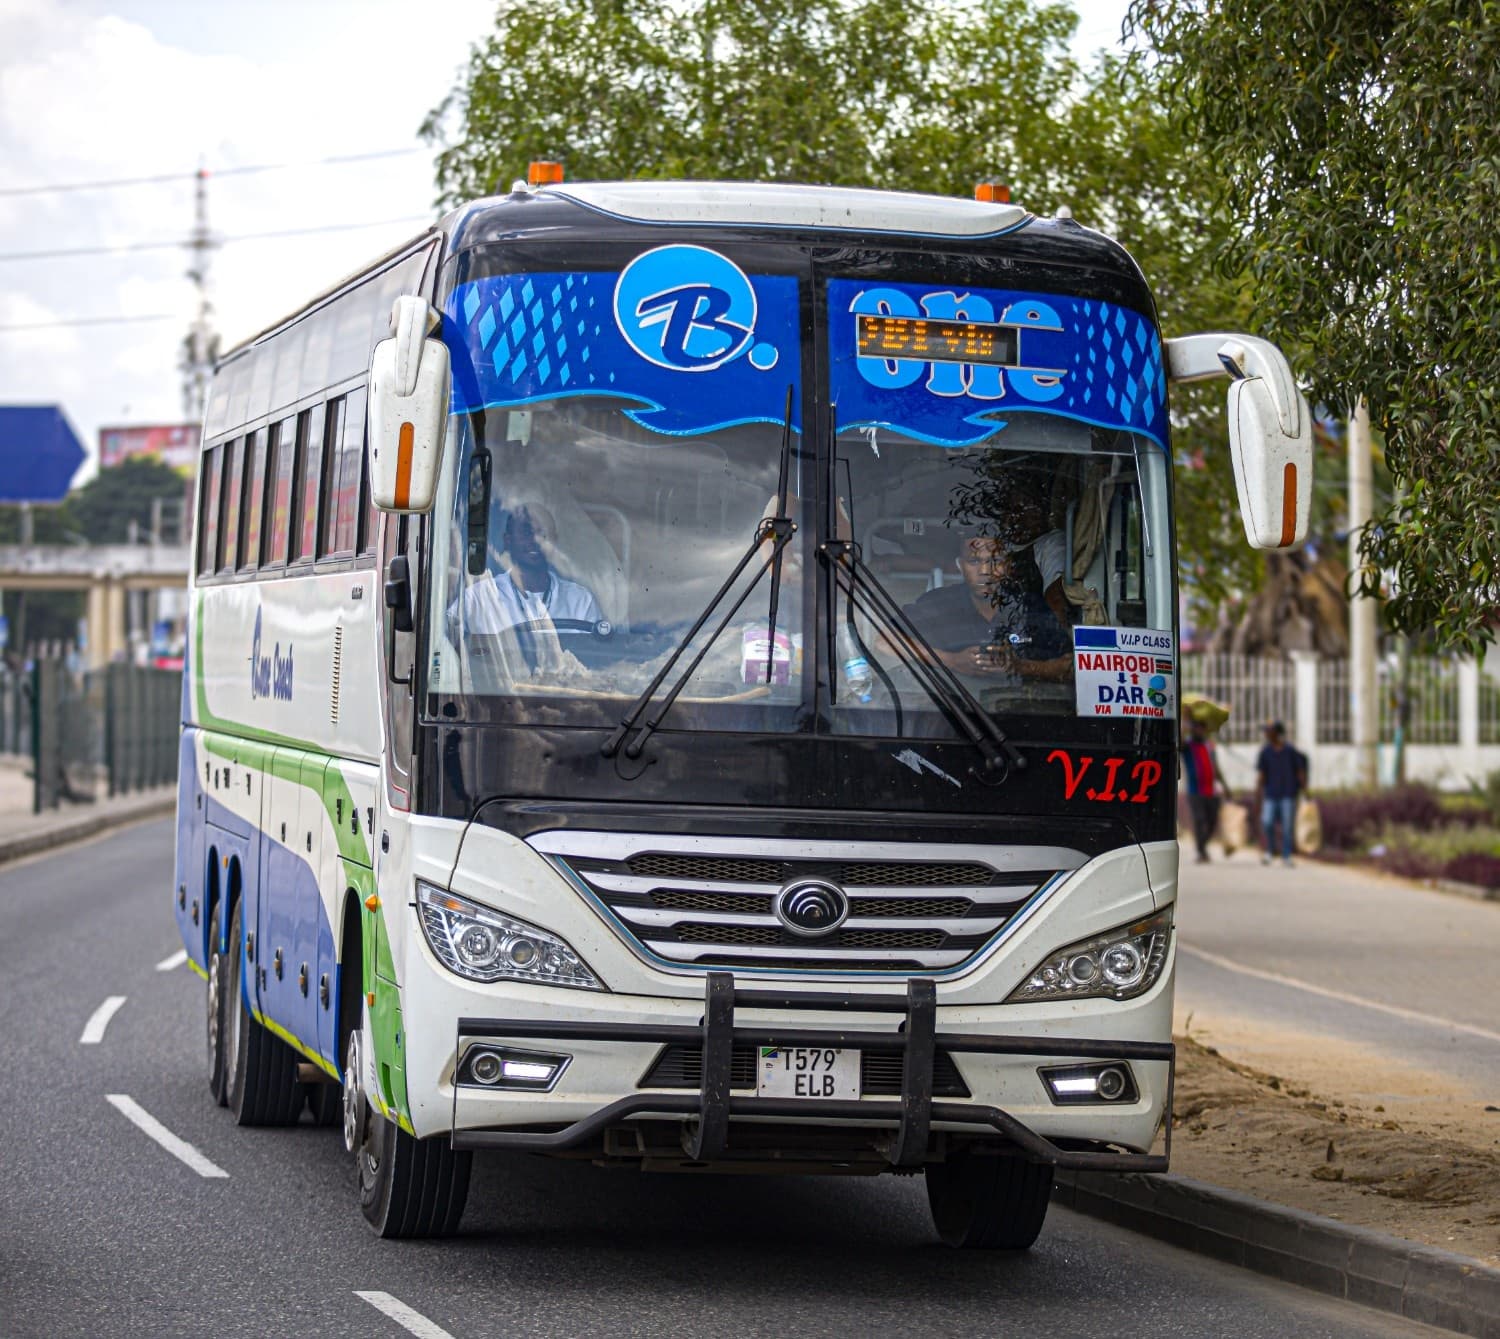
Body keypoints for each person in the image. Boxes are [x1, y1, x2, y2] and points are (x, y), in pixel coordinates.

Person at [902, 532, 1072, 684]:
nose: (985, 570)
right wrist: (952, 660)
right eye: (974, 561)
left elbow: (1071, 666)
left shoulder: (1030, 607)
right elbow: (885, 643)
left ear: (1008, 565)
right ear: (960, 566)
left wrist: (1020, 667)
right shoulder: (939, 603)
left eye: (996, 560)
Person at [459, 502, 604, 638]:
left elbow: (596, 659)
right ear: (507, 540)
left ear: (555, 542)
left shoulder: (581, 601)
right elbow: (447, 648)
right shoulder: (478, 599)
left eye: (543, 533)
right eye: (526, 532)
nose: (535, 539)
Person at [1254, 720, 1307, 867]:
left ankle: (1286, 855)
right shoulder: (1265, 752)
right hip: (1271, 794)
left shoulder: (1290, 751)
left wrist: (1305, 791)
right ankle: (1270, 851)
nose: (1266, 734)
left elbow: (1300, 771)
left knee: (1287, 826)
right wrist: (1258, 795)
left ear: (1276, 733)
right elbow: (1261, 775)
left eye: (1268, 731)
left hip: (1288, 794)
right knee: (1267, 822)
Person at [1181, 717, 1229, 863]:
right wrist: (1184, 722)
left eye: (1202, 728)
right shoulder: (1188, 746)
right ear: (1193, 729)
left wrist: (1226, 787)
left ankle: (1203, 846)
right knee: (1200, 820)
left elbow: (1216, 767)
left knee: (1213, 821)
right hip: (1195, 790)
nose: (1199, 730)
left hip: (1211, 790)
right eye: (1196, 728)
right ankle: (1201, 851)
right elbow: (1180, 740)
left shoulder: (1209, 746)